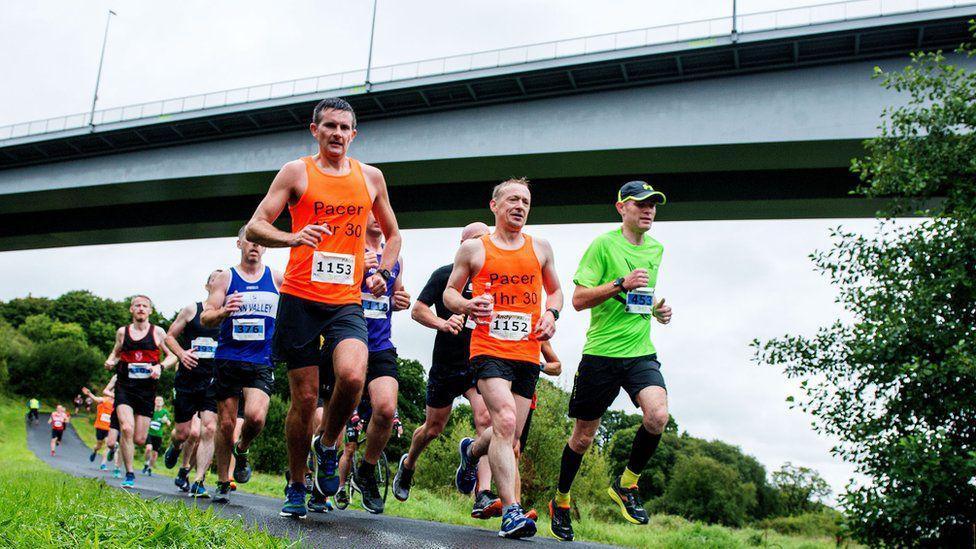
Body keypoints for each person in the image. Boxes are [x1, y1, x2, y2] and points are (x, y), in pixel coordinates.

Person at [244, 97, 401, 519]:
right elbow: (255, 225)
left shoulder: (371, 178)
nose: (336, 133)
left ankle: (327, 445)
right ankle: (296, 484)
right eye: (329, 126)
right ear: (314, 130)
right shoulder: (297, 171)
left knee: (352, 376)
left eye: (344, 127)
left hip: (344, 300)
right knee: (305, 398)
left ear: (354, 134)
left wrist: (382, 275)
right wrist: (292, 238)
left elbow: (394, 235)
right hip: (299, 298)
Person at [547, 181, 673, 542]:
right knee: (583, 439)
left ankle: (627, 484)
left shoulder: (656, 249)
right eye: (641, 204)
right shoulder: (603, 245)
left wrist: (656, 309)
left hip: (639, 351)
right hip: (601, 353)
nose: (648, 210)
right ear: (622, 208)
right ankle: (562, 500)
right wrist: (620, 282)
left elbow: (640, 298)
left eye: (653, 205)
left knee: (657, 415)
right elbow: (579, 300)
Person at [445, 178, 563, 539]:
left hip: (526, 352)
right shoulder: (473, 250)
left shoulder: (540, 248)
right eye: (512, 199)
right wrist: (466, 305)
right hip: (488, 350)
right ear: (494, 205)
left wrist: (551, 316)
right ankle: (511, 511)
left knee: (507, 437)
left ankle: (470, 452)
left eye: (525, 201)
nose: (520, 206)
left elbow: (556, 292)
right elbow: (450, 293)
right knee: (506, 419)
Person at [392, 222, 501, 520]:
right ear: (462, 244)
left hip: (479, 363)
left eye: (486, 240)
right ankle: (408, 464)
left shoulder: (492, 279)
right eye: (476, 240)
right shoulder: (444, 275)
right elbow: (418, 310)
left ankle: (483, 493)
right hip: (446, 364)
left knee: (486, 418)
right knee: (433, 428)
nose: (482, 245)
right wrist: (443, 323)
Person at [201, 226, 282, 504]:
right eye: (250, 240)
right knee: (225, 424)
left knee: (256, 417)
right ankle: (223, 481)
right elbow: (206, 317)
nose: (255, 246)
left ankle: (243, 447)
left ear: (266, 247)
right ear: (240, 244)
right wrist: (224, 311)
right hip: (229, 358)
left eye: (260, 242)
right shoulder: (226, 278)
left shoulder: (276, 278)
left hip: (261, 358)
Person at [104, 295, 177, 489]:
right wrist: (111, 361)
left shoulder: (158, 332)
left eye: (145, 306)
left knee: (139, 439)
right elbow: (116, 352)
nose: (141, 308)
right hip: (124, 388)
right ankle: (129, 473)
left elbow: (173, 356)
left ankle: (125, 453)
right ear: (131, 310)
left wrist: (160, 367)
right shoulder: (123, 332)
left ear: (150, 311)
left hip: (146, 391)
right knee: (126, 428)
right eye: (137, 305)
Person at [163, 270, 224, 497]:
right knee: (184, 433)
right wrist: (181, 354)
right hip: (188, 379)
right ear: (207, 286)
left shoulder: (228, 313)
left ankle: (199, 481)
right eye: (215, 279)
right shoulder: (192, 310)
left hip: (213, 380)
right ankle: (175, 446)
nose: (220, 283)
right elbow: (169, 336)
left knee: (208, 428)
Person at [514, 340, 562, 512]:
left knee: (515, 452)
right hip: (499, 390)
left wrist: (538, 365)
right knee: (511, 447)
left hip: (526, 400)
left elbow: (557, 367)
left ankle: (514, 510)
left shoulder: (538, 331)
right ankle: (512, 506)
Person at [82, 382, 115, 464]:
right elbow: (95, 399)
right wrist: (89, 394)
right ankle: (94, 451)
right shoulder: (103, 399)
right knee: (98, 445)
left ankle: (103, 463)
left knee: (108, 443)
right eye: (113, 391)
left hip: (109, 427)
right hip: (100, 426)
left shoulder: (117, 403)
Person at [143, 396, 171, 476]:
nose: (158, 401)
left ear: (163, 403)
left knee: (155, 453)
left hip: (158, 435)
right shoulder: (151, 411)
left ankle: (150, 468)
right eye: (157, 400)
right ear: (154, 401)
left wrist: (166, 421)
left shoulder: (164, 412)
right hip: (149, 433)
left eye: (160, 400)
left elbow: (168, 423)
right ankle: (146, 462)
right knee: (148, 448)